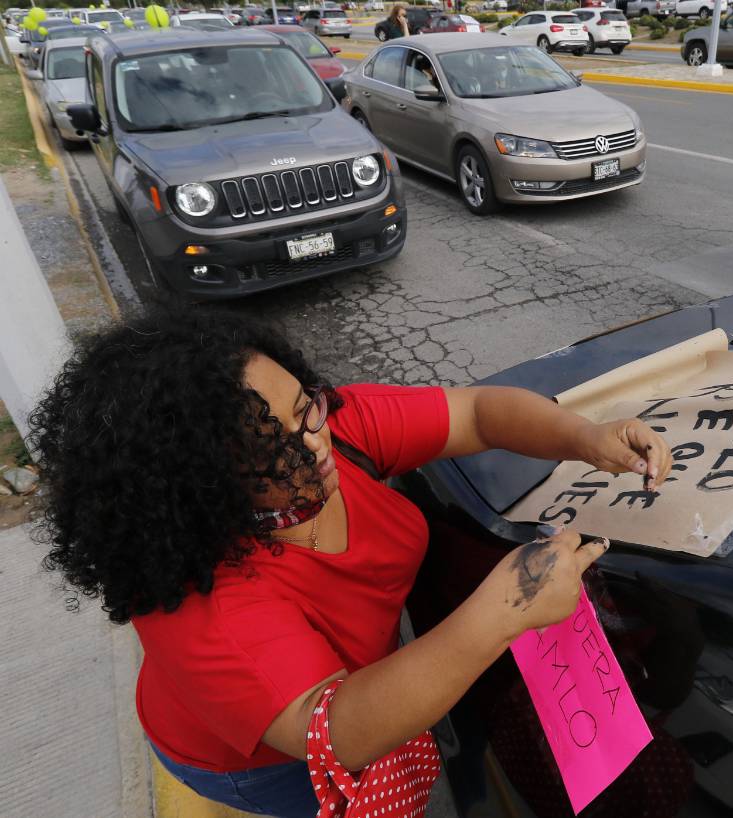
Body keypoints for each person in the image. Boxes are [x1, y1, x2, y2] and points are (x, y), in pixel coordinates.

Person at [29, 308, 673, 818]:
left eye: (303, 409)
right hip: (256, 761)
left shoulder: (334, 427)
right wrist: (505, 610)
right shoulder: (205, 608)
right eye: (270, 452)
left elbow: (475, 412)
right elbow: (339, 734)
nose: (314, 443)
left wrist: (585, 435)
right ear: (198, 488)